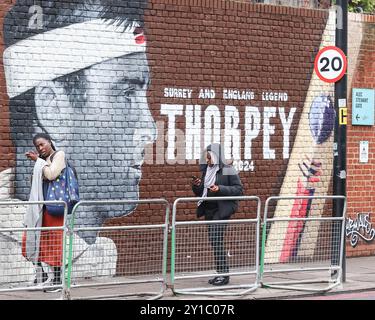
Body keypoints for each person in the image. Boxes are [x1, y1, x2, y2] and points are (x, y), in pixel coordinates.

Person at [3, 0, 156, 244]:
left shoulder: (97, 254)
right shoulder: (11, 261)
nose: (151, 130)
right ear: (52, 108)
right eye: (127, 94)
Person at [192, 143, 243, 286]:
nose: (207, 161)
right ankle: (220, 273)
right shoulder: (206, 170)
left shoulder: (228, 170)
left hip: (221, 210)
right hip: (208, 209)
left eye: (209, 157)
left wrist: (219, 188)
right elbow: (200, 192)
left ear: (216, 156)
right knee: (215, 242)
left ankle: (224, 275)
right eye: (206, 158)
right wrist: (196, 185)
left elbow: (238, 189)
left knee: (216, 240)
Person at [22, 133, 67, 292]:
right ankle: (41, 275)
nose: (40, 148)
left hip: (55, 208)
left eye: (42, 144)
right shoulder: (43, 161)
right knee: (31, 239)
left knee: (54, 243)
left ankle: (56, 280)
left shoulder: (59, 155)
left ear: (49, 141)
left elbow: (51, 174)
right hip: (42, 207)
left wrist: (37, 161)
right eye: (37, 147)